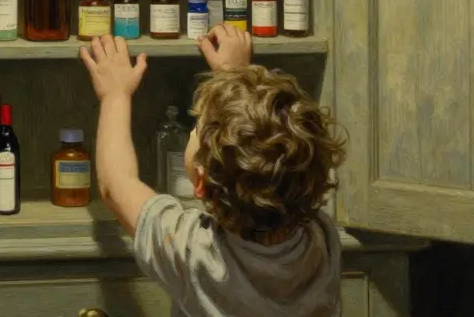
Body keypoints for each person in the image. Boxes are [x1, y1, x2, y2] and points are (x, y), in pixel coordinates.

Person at [79, 25, 347, 317]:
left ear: (200, 184)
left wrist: (115, 94)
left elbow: (116, 185)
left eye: (195, 129)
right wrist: (235, 75)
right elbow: (270, 156)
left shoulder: (193, 249)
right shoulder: (321, 236)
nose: (193, 131)